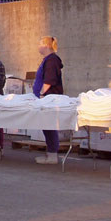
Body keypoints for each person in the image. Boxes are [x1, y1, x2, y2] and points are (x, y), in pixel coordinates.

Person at [33, 35, 64, 163]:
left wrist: (41, 94)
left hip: (49, 98)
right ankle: (50, 152)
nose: (38, 47)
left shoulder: (52, 60)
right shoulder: (47, 60)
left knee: (49, 125)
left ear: (46, 45)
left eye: (40, 44)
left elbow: (49, 80)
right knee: (46, 125)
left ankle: (52, 154)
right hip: (45, 98)